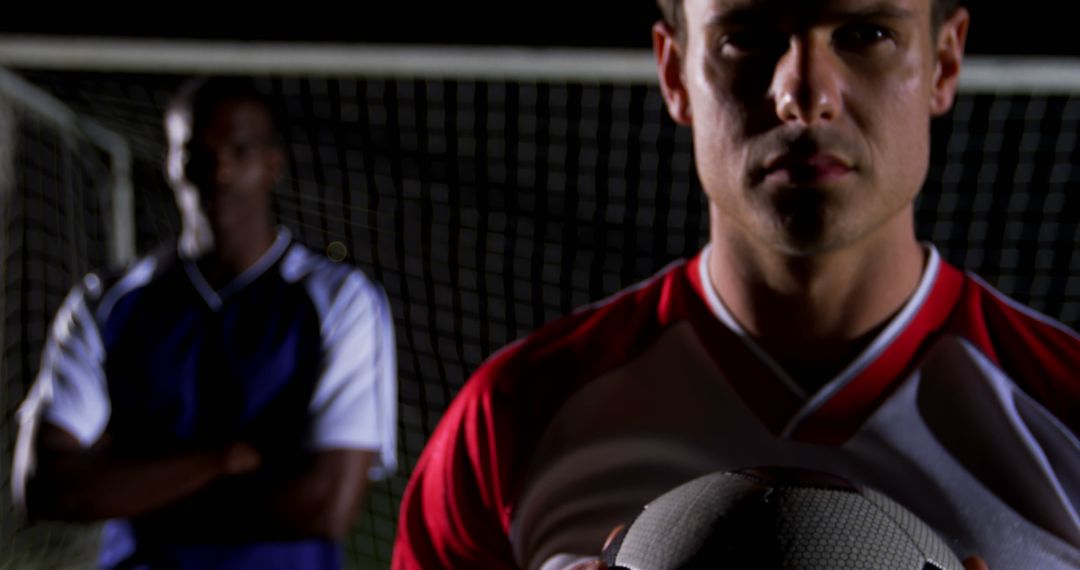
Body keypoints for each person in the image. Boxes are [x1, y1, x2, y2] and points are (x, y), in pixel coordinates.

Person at [392, 0, 1080, 568]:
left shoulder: (1064, 406)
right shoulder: (512, 419)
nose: (802, 95)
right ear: (674, 72)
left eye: (865, 33)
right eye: (746, 37)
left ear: (945, 62)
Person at [10, 76, 397, 570]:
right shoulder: (105, 300)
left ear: (273, 163)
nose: (219, 168)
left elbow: (325, 506)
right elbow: (45, 488)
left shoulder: (340, 300)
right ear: (170, 162)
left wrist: (127, 486)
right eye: (195, 150)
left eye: (240, 149)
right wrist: (223, 460)